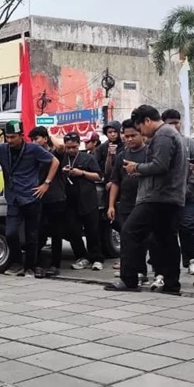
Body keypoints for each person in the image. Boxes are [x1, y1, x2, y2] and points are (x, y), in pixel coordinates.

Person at [105, 105, 186, 294]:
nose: (141, 133)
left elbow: (160, 165)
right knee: (165, 240)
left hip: (158, 197)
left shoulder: (164, 134)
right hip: (169, 196)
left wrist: (137, 168)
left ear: (147, 121)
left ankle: (129, 279)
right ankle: (171, 284)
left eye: (140, 128)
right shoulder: (169, 133)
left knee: (130, 231)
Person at [0, 122, 59, 277]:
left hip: (31, 197)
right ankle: (17, 263)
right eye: (7, 137)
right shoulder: (2, 149)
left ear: (21, 135)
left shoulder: (33, 149)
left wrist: (46, 184)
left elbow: (55, 162)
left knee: (32, 235)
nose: (10, 140)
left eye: (13, 137)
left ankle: (30, 267)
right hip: (12, 198)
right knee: (11, 233)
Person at [106, 121, 151, 284]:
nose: (129, 139)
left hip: (144, 202)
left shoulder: (149, 153)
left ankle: (141, 271)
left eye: (133, 135)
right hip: (125, 203)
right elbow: (115, 182)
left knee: (142, 239)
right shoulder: (121, 156)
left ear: (142, 135)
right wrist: (111, 205)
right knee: (126, 237)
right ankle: (130, 272)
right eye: (126, 136)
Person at [162, 109, 194, 276]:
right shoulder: (160, 143)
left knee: (187, 226)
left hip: (188, 194)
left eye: (176, 122)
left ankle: (192, 259)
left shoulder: (190, 143)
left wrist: (188, 190)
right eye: (170, 123)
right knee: (168, 229)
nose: (174, 126)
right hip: (167, 195)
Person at [59, 133, 104, 271]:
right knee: (73, 230)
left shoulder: (88, 158)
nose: (71, 150)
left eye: (74, 147)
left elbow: (98, 176)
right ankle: (81, 257)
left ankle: (96, 258)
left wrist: (81, 173)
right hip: (69, 200)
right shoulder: (62, 158)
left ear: (79, 144)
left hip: (88, 199)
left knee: (92, 230)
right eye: (68, 147)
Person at [30, 127, 67, 277]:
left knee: (56, 232)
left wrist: (49, 135)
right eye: (32, 139)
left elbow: (61, 146)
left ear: (45, 139)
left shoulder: (53, 154)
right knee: (38, 232)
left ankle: (55, 264)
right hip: (38, 198)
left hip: (56, 198)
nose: (34, 142)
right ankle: (38, 264)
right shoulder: (32, 155)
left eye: (37, 138)